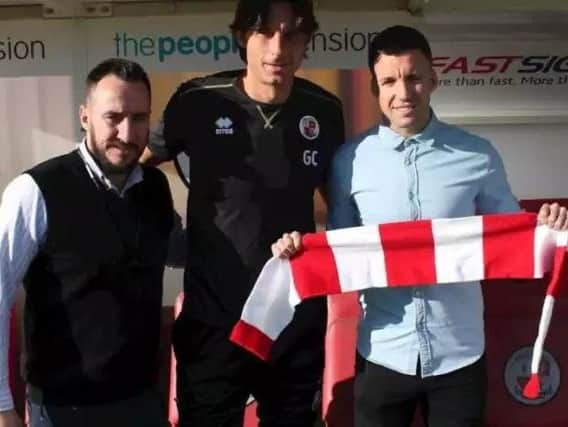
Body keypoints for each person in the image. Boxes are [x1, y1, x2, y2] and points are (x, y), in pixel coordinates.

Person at [272, 25, 568, 427]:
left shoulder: (477, 155)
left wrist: (548, 227)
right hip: (381, 354)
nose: (404, 92)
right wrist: (300, 249)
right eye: (389, 81)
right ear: (375, 90)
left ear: (433, 79)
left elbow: (516, 239)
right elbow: (339, 251)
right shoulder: (349, 162)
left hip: (459, 356)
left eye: (413, 77)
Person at [141, 0, 344, 425]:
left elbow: (342, 206)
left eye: (291, 34)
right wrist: (157, 233)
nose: (277, 47)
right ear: (240, 37)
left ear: (307, 41)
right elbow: (134, 168)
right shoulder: (196, 100)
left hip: (293, 322)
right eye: (264, 33)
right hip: (213, 323)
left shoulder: (324, 110)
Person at [0, 58, 174, 427]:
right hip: (63, 412)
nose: (127, 134)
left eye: (139, 118)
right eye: (113, 117)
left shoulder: (155, 189)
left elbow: (180, 251)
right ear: (84, 117)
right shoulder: (36, 191)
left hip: (141, 405)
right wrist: (2, 407)